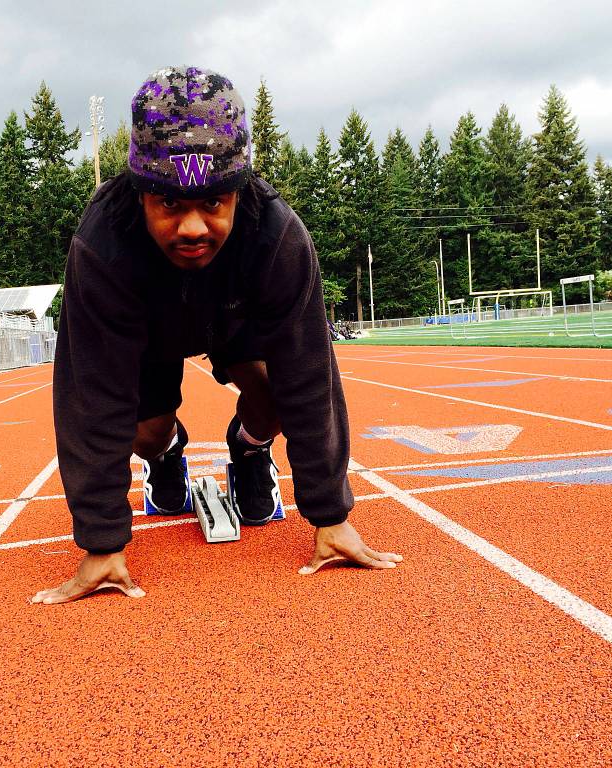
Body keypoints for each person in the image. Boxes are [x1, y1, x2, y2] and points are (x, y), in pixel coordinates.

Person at [33, 66, 401, 605]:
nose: (191, 228)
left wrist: (331, 516)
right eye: (169, 205)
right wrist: (102, 543)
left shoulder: (277, 236)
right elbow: (92, 396)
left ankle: (249, 451)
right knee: (146, 432)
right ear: (140, 195)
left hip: (235, 317)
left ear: (238, 191)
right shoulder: (102, 246)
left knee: (278, 388)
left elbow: (309, 375)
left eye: (212, 203)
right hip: (146, 329)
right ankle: (167, 453)